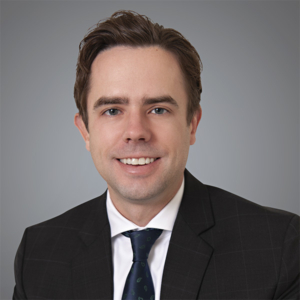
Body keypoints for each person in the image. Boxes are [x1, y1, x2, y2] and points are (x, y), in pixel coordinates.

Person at [13, 10, 299, 300]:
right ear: (85, 131)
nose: (136, 131)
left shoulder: (278, 247)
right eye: (112, 110)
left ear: (192, 124)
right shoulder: (38, 253)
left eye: (158, 109)